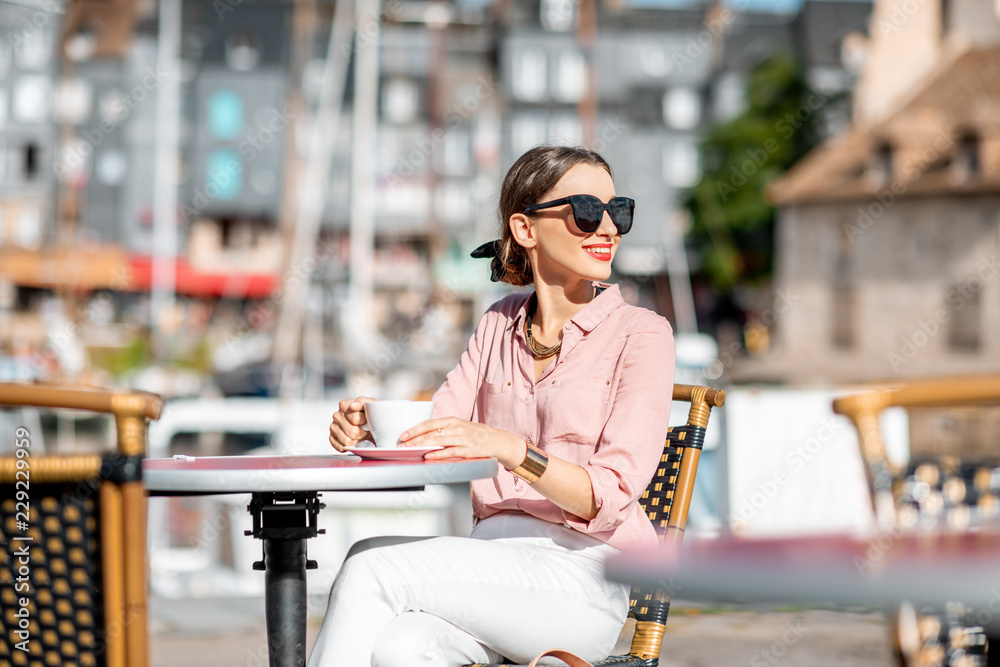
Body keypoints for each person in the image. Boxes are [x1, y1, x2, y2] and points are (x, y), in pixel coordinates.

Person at [311, 145, 676, 667]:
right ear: (525, 230)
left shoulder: (642, 334)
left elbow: (609, 497)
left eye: (618, 212)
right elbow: (439, 430)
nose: (608, 229)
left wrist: (510, 450)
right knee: (400, 649)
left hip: (584, 578)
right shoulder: (499, 322)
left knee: (371, 562)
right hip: (492, 568)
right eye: (587, 212)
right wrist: (373, 423)